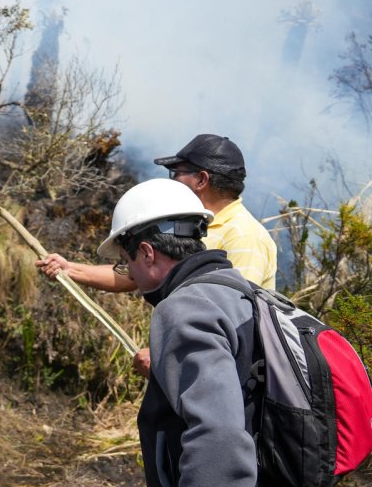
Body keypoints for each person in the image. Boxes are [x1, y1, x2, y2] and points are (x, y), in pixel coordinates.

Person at [97, 178, 286, 487]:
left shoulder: (185, 308)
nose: (133, 279)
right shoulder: (240, 292)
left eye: (126, 264)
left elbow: (219, 437)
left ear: (146, 253)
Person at [36, 133, 278, 374]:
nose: (172, 180)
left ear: (201, 180)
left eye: (177, 173)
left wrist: (167, 355)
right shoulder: (191, 225)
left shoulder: (245, 236)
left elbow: (235, 320)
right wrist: (70, 269)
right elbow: (135, 274)